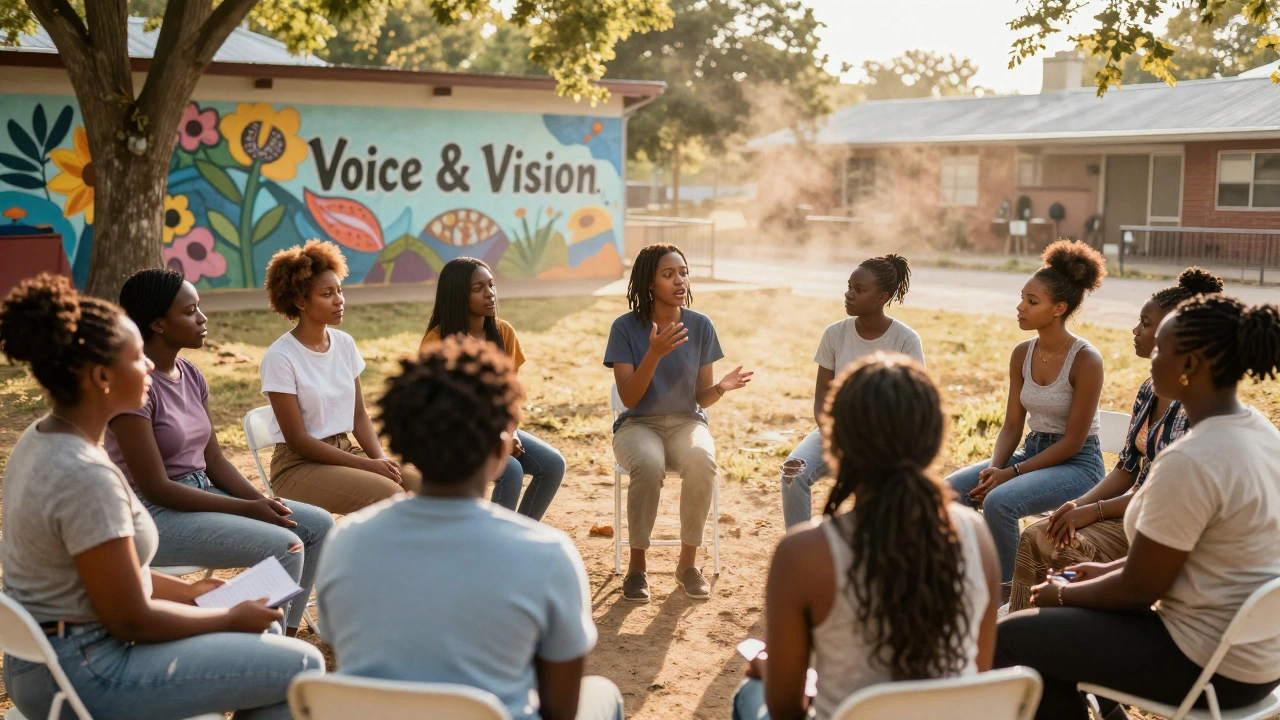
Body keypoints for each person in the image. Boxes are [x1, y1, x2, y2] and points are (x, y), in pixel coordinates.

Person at [0, 274, 323, 720]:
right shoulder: (85, 476)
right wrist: (227, 618)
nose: (151, 367)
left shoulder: (39, 441)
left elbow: (108, 581)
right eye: (138, 358)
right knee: (304, 664)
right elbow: (131, 620)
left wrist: (196, 594)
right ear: (100, 376)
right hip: (86, 669)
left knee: (263, 642)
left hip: (46, 660)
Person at [995, 293, 1280, 720]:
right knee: (1054, 633)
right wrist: (1099, 573)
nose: (1153, 358)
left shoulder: (1191, 459)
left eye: (1162, 349)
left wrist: (1065, 592)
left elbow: (1141, 589)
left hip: (1206, 664)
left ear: (1191, 365)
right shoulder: (1260, 433)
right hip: (1257, 658)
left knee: (1011, 638)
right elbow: (1171, 562)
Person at [316, 336, 623, 720]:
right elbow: (560, 710)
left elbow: (347, 654)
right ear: (500, 450)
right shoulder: (548, 554)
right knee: (603, 695)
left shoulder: (346, 542)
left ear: (405, 445)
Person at [732, 353, 1000, 720]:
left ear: (835, 444)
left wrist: (771, 671)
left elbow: (785, 710)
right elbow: (975, 677)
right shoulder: (975, 535)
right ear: (934, 442)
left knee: (751, 693)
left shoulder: (804, 553)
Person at [104, 268, 334, 637]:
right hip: (153, 513)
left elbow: (214, 461)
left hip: (203, 494)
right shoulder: (133, 385)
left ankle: (284, 635)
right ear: (159, 324)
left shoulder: (190, 374)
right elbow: (156, 487)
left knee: (316, 524)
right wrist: (248, 509)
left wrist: (263, 503)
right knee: (286, 545)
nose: (202, 318)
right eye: (190, 310)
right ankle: (246, 640)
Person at [1006, 268, 1221, 611]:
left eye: (1147, 325)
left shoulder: (1192, 407)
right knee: (1038, 533)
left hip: (1154, 520)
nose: (1136, 330)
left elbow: (1157, 494)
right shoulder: (1150, 390)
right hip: (1130, 511)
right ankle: (1021, 622)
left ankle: (1063, 632)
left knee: (1065, 549)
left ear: (1177, 334)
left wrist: (1095, 511)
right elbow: (1125, 468)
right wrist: (1076, 507)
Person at [947, 240, 1107, 597]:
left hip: (1077, 465)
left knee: (1000, 502)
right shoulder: (1022, 353)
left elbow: (1073, 442)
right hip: (1030, 453)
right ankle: (972, 577)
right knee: (951, 490)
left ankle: (1007, 595)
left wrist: (1010, 475)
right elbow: (1011, 425)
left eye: (1032, 302)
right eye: (1022, 298)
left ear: (1059, 309)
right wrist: (995, 469)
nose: (1020, 307)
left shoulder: (1086, 360)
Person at [604, 243, 753, 602]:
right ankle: (637, 568)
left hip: (687, 423)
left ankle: (687, 565)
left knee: (703, 461)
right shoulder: (625, 328)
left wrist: (719, 388)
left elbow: (700, 397)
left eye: (683, 272)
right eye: (668, 274)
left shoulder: (700, 325)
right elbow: (629, 398)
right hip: (638, 425)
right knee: (649, 464)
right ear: (649, 282)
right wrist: (653, 354)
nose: (679, 280)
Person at [260, 239, 418, 514]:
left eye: (340, 290)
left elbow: (358, 416)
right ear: (300, 301)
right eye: (327, 293)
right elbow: (297, 440)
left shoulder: (344, 344)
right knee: (391, 495)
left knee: (423, 486)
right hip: (298, 466)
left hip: (344, 452)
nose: (339, 300)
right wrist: (369, 466)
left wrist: (380, 459)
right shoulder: (280, 357)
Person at [780, 254, 925, 528]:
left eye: (860, 290)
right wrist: (834, 433)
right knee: (793, 472)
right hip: (836, 430)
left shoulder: (906, 340)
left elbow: (913, 405)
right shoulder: (834, 334)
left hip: (885, 438)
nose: (849, 294)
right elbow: (822, 395)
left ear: (882, 296)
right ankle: (798, 546)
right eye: (849, 286)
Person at [418, 257, 565, 520]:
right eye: (478, 288)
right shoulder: (437, 341)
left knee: (553, 465)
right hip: (454, 434)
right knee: (510, 470)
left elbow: (509, 396)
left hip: (496, 425)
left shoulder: (503, 332)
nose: (490, 294)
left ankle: (518, 538)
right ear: (457, 295)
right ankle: (492, 544)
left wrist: (508, 431)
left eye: (492, 285)